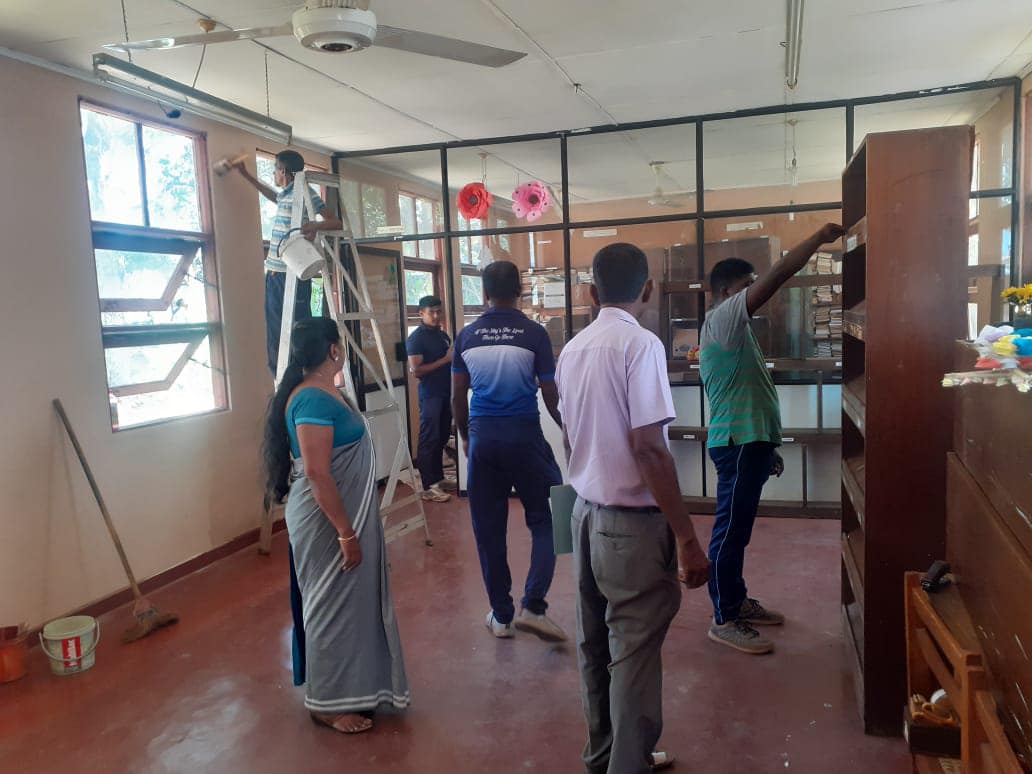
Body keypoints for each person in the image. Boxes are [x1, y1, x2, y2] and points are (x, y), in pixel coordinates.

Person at [557, 242, 711, 774]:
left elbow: (570, 430)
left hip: (584, 515)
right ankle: (629, 763)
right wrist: (688, 538)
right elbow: (649, 448)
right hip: (630, 527)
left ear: (591, 292)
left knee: (595, 642)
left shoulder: (573, 349)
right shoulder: (639, 345)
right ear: (649, 290)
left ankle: (606, 756)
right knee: (634, 652)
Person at [700, 222, 845, 655]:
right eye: (747, 285)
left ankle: (736, 600)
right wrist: (817, 238)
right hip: (737, 444)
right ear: (728, 292)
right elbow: (779, 273)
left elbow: (752, 393)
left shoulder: (739, 332)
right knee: (729, 532)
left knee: (738, 532)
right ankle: (723, 618)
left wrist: (769, 447)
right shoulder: (724, 319)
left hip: (752, 443)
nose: (757, 292)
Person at [262, 317, 409, 734]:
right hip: (325, 522)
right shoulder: (310, 400)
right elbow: (316, 473)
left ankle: (357, 687)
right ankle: (326, 703)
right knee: (329, 606)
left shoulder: (330, 392)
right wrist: (346, 532)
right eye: (342, 345)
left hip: (342, 518)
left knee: (350, 605)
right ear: (333, 349)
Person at [451, 260, 567, 642]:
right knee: (554, 514)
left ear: (484, 293)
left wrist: (467, 437)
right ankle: (533, 605)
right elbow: (550, 393)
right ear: (521, 292)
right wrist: (568, 430)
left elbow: (456, 396)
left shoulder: (466, 336)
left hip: (484, 440)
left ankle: (501, 618)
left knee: (488, 531)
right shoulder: (535, 334)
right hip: (525, 436)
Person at [230, 150, 342, 376]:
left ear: (283, 171)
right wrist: (246, 175)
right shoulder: (286, 195)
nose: (273, 174)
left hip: (295, 271)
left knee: (300, 325)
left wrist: (314, 226)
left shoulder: (304, 193)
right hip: (274, 271)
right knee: (275, 328)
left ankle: (304, 370)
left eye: (274, 170)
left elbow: (335, 221)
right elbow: (274, 196)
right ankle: (281, 376)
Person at [407, 295, 454, 503]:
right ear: (421, 314)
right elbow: (417, 371)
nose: (436, 316)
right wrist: (445, 359)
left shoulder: (443, 336)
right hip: (430, 395)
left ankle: (439, 479)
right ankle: (428, 486)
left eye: (438, 311)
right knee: (429, 438)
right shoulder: (416, 338)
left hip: (446, 393)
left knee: (442, 436)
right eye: (431, 312)